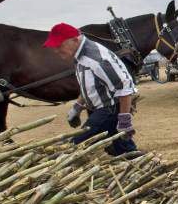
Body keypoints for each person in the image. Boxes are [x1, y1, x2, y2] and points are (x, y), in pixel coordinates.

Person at [43, 22, 139, 156]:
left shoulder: (96, 58)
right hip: (101, 110)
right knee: (123, 149)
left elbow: (124, 86)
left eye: (59, 45)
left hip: (109, 110)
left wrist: (124, 120)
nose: (56, 50)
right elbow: (90, 85)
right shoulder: (79, 55)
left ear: (74, 40)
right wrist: (77, 106)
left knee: (76, 145)